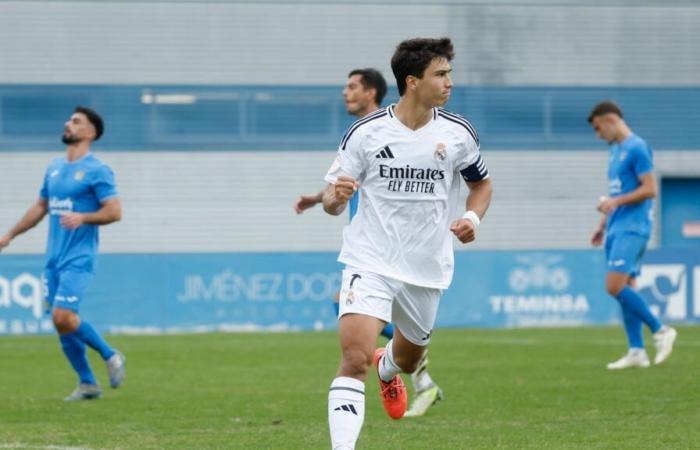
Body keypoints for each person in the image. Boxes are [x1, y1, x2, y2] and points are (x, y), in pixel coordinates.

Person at [322, 38, 492, 449]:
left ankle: (389, 368)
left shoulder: (458, 133)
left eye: (449, 72)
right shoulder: (365, 133)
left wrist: (471, 217)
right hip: (371, 259)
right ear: (413, 81)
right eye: (441, 74)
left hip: (427, 267)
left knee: (408, 359)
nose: (450, 81)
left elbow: (481, 184)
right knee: (354, 360)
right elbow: (329, 198)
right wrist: (336, 197)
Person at [294, 68, 443, 418]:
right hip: (370, 251)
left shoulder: (393, 129)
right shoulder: (359, 134)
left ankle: (415, 369)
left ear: (372, 92)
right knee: (347, 315)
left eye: (352, 87)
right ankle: (412, 371)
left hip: (405, 250)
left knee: (382, 326)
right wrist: (318, 199)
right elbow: (344, 183)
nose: (345, 93)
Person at [0, 106, 126, 400]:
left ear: (91, 132)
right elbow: (41, 207)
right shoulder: (54, 168)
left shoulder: (98, 170)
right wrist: (9, 235)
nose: (68, 124)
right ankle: (88, 383)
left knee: (63, 315)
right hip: (53, 260)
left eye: (76, 121)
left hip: (78, 258)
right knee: (61, 324)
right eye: (69, 120)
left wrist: (84, 218)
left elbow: (114, 211)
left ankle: (111, 355)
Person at [588, 101, 677, 370]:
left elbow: (650, 189)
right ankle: (637, 350)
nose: (597, 134)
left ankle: (661, 330)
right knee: (628, 288)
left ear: (610, 119)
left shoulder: (638, 147)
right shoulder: (616, 152)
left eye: (597, 127)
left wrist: (615, 204)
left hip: (633, 227)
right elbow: (617, 194)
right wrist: (603, 223)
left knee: (614, 286)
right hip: (616, 227)